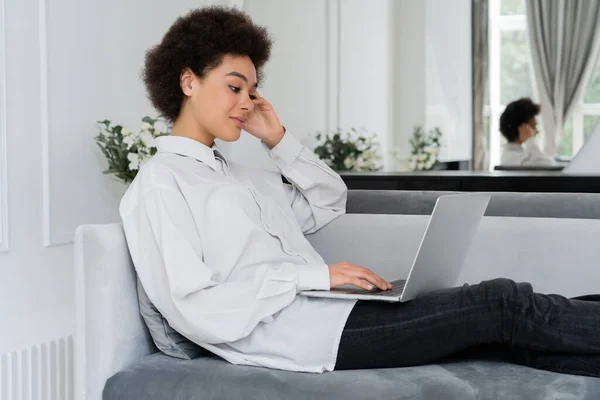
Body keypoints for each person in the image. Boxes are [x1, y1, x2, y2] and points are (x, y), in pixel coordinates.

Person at [119, 6, 600, 377]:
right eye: (235, 87)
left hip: (332, 312)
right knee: (501, 302)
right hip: (302, 335)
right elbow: (194, 308)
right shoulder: (160, 185)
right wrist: (314, 278)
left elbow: (330, 198)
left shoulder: (244, 177)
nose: (248, 102)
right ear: (187, 81)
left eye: (253, 90)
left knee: (509, 338)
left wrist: (278, 139)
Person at [499, 98, 554, 166]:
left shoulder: (520, 154)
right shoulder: (512, 157)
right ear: (522, 128)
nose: (537, 131)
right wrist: (529, 140)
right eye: (534, 127)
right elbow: (546, 165)